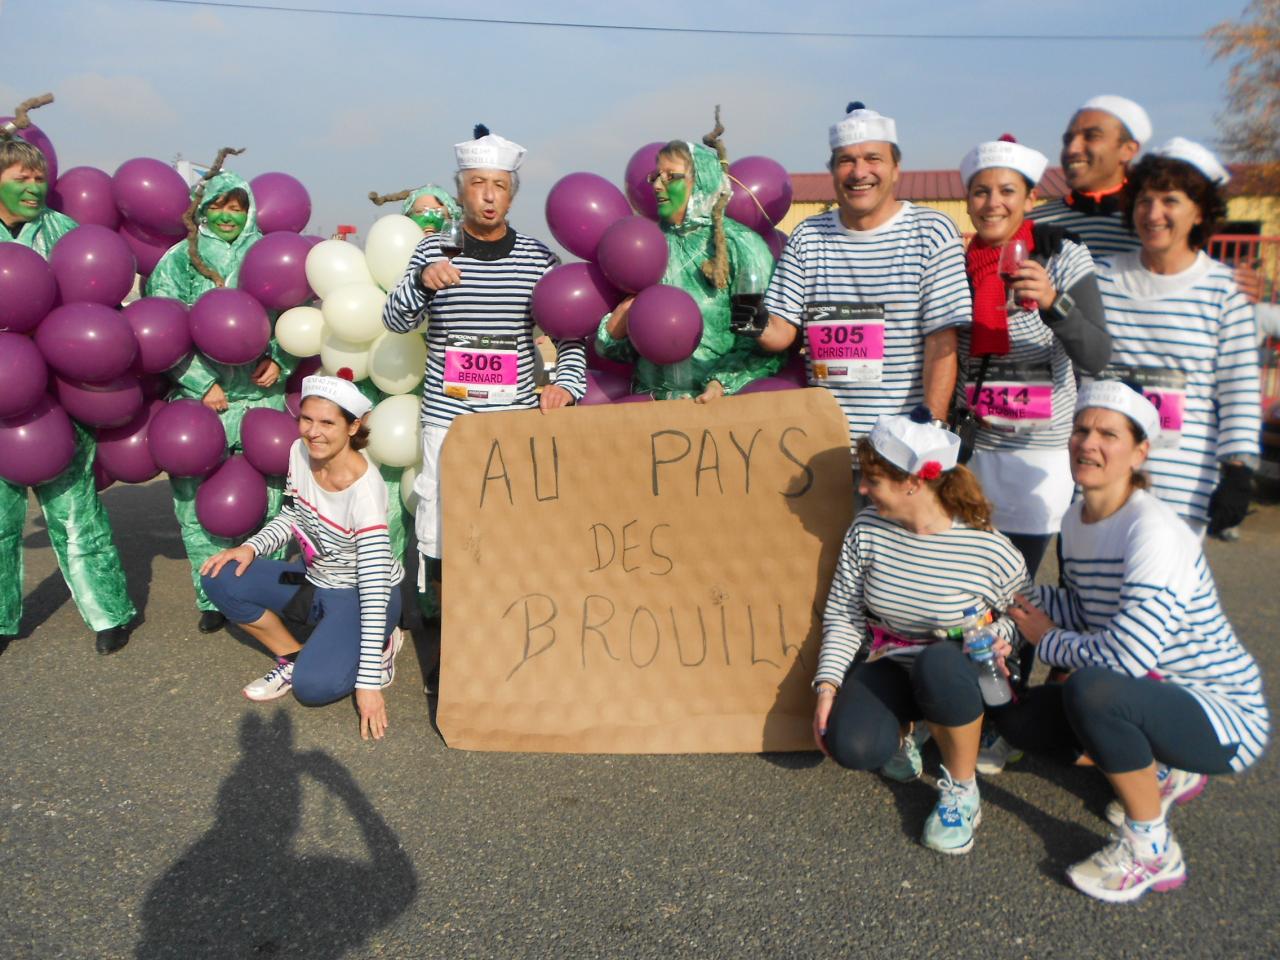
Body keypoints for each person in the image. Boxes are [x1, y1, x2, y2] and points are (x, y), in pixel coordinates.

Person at [1000, 381, 1269, 903]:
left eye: (1108, 434)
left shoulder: (1154, 531)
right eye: (1081, 429)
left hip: (1224, 715)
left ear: (1140, 450)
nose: (1088, 443)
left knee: (1094, 692)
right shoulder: (1078, 519)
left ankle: (1151, 849)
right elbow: (1087, 610)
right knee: (1020, 719)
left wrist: (1047, 640)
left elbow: (1128, 656)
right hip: (1153, 693)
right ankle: (1160, 769)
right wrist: (1013, 596)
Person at [382, 125, 586, 599]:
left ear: (512, 196)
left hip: (510, 424)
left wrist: (568, 385)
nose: (488, 196)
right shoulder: (432, 251)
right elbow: (394, 320)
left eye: (499, 185)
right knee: (443, 537)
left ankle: (504, 640)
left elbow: (571, 335)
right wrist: (422, 284)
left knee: (508, 533)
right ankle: (445, 651)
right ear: (460, 192)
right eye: (477, 184)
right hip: (446, 420)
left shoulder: (539, 260)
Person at [814, 409, 1029, 855]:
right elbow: (844, 615)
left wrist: (1005, 634)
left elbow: (1027, 616)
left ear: (913, 481)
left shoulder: (987, 548)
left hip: (956, 671)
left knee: (939, 663)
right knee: (852, 746)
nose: (862, 488)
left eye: (872, 478)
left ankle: (962, 790)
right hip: (890, 659)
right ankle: (910, 729)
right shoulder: (867, 529)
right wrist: (828, 685)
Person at [200, 375, 405, 741]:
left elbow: (374, 587)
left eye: (327, 422)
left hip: (360, 595)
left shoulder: (365, 493)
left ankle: (384, 643)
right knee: (221, 576)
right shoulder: (299, 452)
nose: (313, 432)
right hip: (311, 579)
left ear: (353, 426)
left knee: (313, 689)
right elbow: (292, 515)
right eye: (306, 419)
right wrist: (250, 547)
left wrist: (368, 682)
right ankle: (292, 657)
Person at [755, 103, 971, 448]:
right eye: (846, 161)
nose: (859, 172)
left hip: (901, 448)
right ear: (833, 170)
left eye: (873, 159)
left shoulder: (932, 232)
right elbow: (780, 331)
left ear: (896, 168)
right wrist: (755, 322)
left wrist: (929, 432)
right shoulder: (808, 237)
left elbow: (942, 345)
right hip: (824, 449)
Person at [0, 138, 136, 654]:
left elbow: (101, 307)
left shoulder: (65, 234)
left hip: (57, 395)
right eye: (19, 177)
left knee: (76, 510)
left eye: (38, 179)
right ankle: (1, 617)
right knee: (0, 520)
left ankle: (109, 613)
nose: (32, 187)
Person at [147, 171, 298, 633]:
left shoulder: (269, 253)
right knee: (196, 505)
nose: (228, 215)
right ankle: (211, 594)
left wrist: (283, 359)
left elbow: (300, 312)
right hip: (202, 403)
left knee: (272, 503)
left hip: (262, 399)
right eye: (219, 206)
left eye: (237, 206)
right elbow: (158, 328)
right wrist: (195, 381)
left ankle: (265, 590)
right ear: (202, 210)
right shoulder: (177, 261)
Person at [958, 135, 1109, 577]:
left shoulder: (1060, 255)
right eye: (981, 192)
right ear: (967, 202)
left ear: (1030, 198)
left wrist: (1053, 302)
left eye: (1007, 191)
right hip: (973, 455)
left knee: (1018, 596)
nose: (992, 204)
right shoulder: (955, 265)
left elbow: (1097, 354)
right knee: (972, 593)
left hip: (1039, 459)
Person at [1093, 139, 1260, 538]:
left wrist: (1238, 470)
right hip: (1101, 476)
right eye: (1143, 201)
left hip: (1183, 485)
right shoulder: (1100, 278)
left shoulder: (1224, 290)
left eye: (1170, 201)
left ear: (1200, 211)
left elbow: (1238, 388)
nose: (1153, 214)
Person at [595, 139, 781, 399]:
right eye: (655, 177)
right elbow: (620, 351)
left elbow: (768, 344)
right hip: (650, 411)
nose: (658, 186)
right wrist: (617, 325)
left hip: (719, 413)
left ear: (701, 181)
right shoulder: (646, 245)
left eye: (671, 177)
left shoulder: (742, 245)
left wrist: (721, 383)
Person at [1028, 95, 1151, 257]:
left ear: (1128, 150)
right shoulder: (1031, 225)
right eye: (1068, 139)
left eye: (1091, 136)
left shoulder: (1151, 224)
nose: (1072, 149)